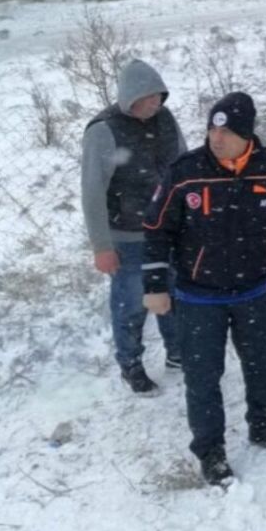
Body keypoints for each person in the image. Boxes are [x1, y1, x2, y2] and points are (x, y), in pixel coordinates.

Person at [142, 93, 266, 485]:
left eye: (226, 132)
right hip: (198, 295)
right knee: (202, 377)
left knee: (263, 365)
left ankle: (264, 423)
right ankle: (211, 451)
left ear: (246, 134)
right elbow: (156, 229)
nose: (216, 138)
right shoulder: (186, 172)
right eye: (211, 130)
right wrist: (155, 285)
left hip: (255, 290)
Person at [81, 60, 187, 394]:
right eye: (149, 96)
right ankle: (131, 365)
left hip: (167, 230)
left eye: (159, 95)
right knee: (131, 305)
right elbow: (92, 191)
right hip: (127, 236)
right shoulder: (104, 130)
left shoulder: (165, 120)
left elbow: (184, 168)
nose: (157, 102)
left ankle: (178, 353)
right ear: (131, 97)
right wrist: (102, 247)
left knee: (173, 293)